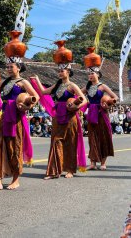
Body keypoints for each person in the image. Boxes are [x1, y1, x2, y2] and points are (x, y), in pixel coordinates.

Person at [0, 30, 39, 190]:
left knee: (15, 148)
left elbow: (36, 97)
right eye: (6, 66)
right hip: (5, 116)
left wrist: (26, 106)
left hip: (17, 118)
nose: (8, 68)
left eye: (11, 66)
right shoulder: (6, 81)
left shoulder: (23, 82)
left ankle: (16, 179)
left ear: (18, 67)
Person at [31, 41, 87, 179]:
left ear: (68, 71)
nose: (60, 72)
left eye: (62, 70)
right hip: (58, 117)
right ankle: (54, 170)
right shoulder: (56, 85)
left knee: (70, 142)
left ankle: (70, 170)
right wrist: (37, 81)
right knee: (56, 141)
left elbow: (84, 99)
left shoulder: (72, 85)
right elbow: (44, 93)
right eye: (59, 70)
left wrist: (76, 106)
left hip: (70, 117)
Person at [82, 48, 118, 171]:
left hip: (102, 114)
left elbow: (115, 97)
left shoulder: (102, 86)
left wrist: (107, 105)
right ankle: (92, 163)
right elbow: (76, 94)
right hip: (91, 114)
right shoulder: (86, 87)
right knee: (92, 138)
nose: (90, 75)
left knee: (103, 137)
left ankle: (103, 162)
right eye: (89, 73)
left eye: (92, 73)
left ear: (98, 74)